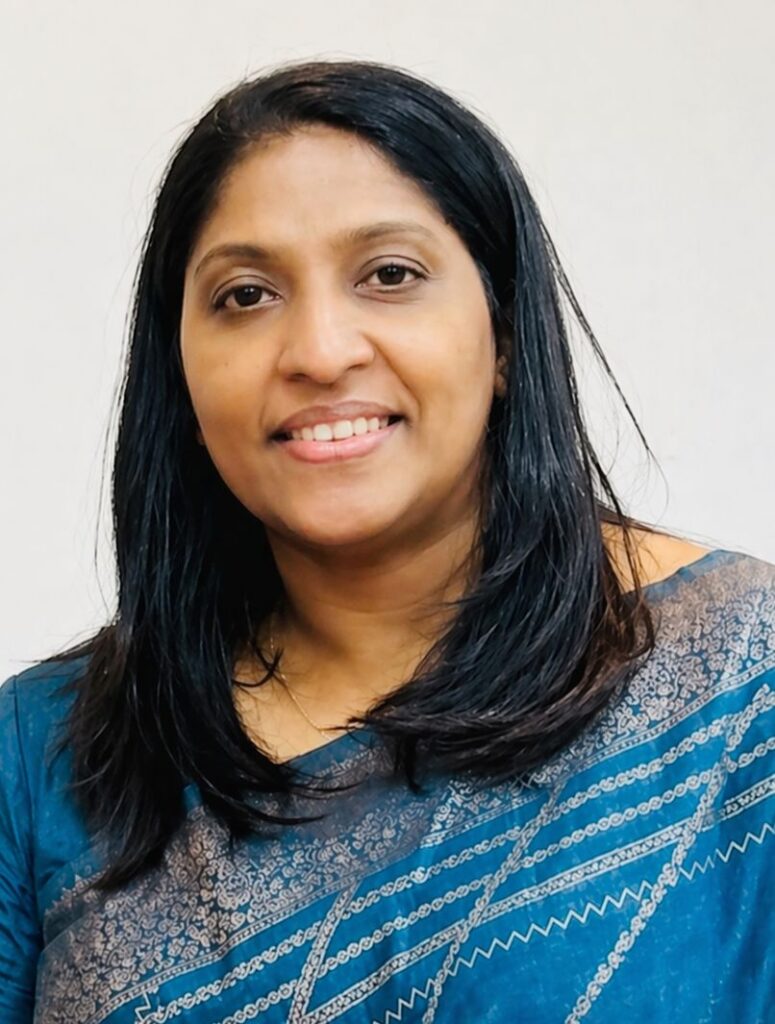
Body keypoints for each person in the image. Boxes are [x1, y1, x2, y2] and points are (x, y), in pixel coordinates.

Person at [0, 58, 772, 1024]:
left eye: (390, 276)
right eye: (245, 294)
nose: (321, 352)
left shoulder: (740, 679)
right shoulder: (45, 757)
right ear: (183, 378)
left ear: (503, 334)